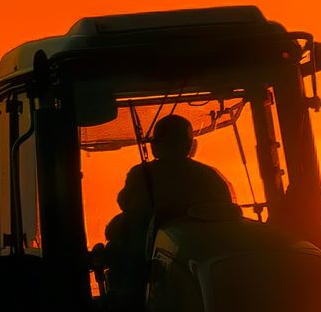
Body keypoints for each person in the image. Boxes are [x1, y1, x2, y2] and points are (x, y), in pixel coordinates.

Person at [101, 113, 236, 294]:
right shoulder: (210, 177)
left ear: (156, 145)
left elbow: (125, 203)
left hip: (147, 269)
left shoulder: (142, 174)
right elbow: (227, 213)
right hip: (206, 264)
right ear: (189, 145)